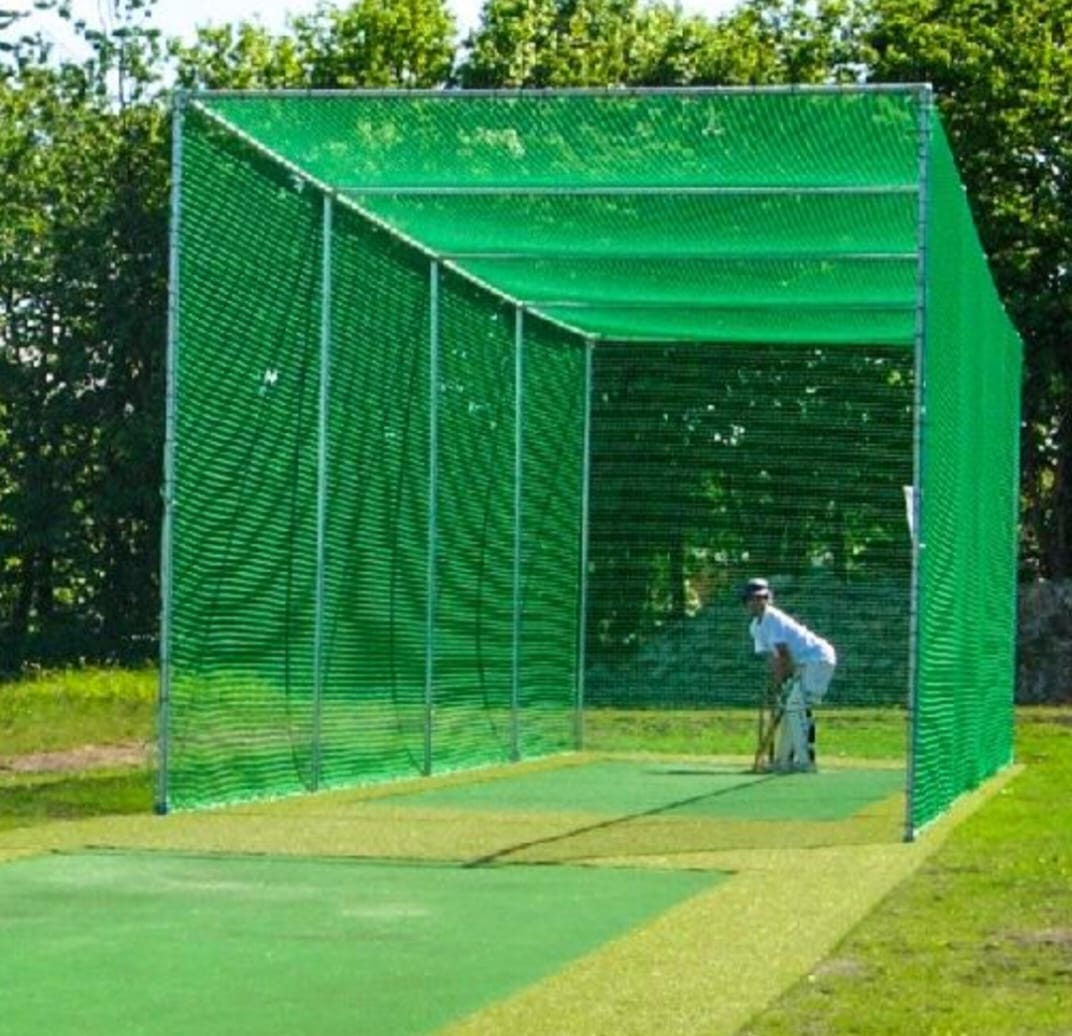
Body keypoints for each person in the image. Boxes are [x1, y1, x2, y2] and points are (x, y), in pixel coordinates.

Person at [740, 577, 837, 773]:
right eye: (753, 599)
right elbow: (772, 658)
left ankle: (806, 762)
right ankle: (783, 761)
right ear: (746, 602)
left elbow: (784, 655)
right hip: (801, 664)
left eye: (762, 598)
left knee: (795, 706)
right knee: (788, 709)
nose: (758, 602)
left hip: (818, 659)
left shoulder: (773, 618)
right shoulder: (755, 627)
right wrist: (775, 687)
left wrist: (783, 683)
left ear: (768, 599)